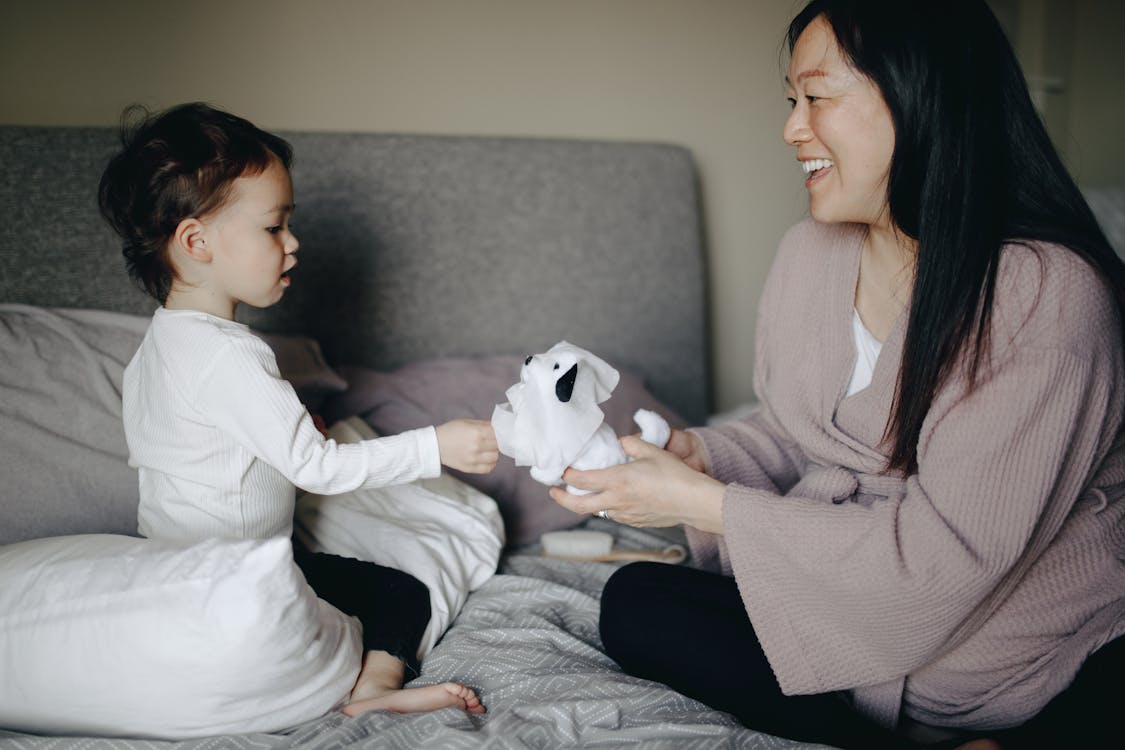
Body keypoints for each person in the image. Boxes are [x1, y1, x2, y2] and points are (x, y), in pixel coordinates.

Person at [548, 1, 1125, 748]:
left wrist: (712, 505)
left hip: (1018, 638)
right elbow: (799, 437)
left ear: (923, 100)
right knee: (636, 601)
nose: (791, 129)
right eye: (791, 102)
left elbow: (945, 561)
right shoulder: (808, 254)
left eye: (816, 98)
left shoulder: (1042, 292)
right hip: (848, 599)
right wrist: (705, 459)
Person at [98, 102, 498, 719]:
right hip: (247, 580)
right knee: (400, 591)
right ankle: (375, 692)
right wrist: (434, 446)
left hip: (176, 574)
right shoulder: (231, 354)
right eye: (273, 228)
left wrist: (281, 441)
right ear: (196, 241)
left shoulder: (154, 350)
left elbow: (198, 452)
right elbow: (319, 470)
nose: (293, 243)